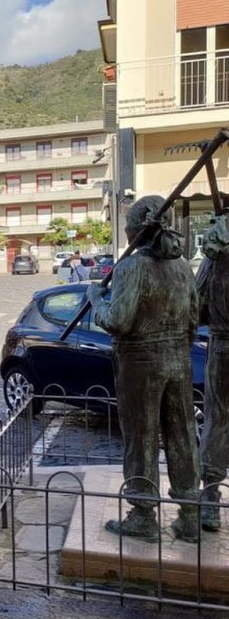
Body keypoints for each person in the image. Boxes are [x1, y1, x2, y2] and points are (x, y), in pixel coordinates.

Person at [87, 195, 200, 541]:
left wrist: (96, 302)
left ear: (137, 231)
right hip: (178, 360)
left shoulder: (131, 268)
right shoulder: (183, 268)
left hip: (140, 365)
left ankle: (142, 514)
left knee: (141, 436)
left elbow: (118, 321)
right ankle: (190, 514)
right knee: (182, 435)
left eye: (127, 227)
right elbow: (194, 320)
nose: (125, 233)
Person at [194, 215, 229, 531]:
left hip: (223, 346)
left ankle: (210, 500)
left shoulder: (216, 254)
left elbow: (196, 306)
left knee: (218, 421)